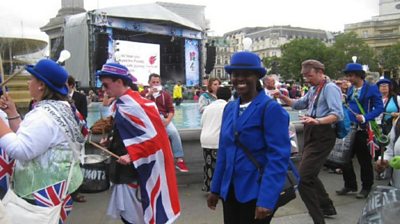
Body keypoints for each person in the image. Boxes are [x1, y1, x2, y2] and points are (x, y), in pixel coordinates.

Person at [207, 51, 291, 224]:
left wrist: (267, 199)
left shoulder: (270, 109)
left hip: (256, 191)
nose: (240, 79)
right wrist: (215, 188)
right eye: (235, 74)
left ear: (257, 77)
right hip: (230, 191)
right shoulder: (230, 108)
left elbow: (278, 157)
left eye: (246, 74)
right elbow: (223, 150)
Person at [97, 63, 180, 224]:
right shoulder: (122, 103)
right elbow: (130, 135)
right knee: (130, 218)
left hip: (134, 174)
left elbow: (157, 140)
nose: (104, 90)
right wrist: (110, 142)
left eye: (106, 85)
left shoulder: (138, 105)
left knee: (136, 219)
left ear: (119, 82)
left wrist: (132, 155)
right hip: (124, 173)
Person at [0, 59, 84, 210]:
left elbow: (21, 150)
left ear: (41, 85)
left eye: (31, 78)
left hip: (40, 194)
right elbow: (32, 140)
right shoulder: (59, 108)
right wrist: (12, 113)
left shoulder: (43, 116)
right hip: (56, 189)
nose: (28, 82)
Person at [275, 59, 343, 224]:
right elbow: (298, 104)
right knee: (308, 173)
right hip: (312, 132)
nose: (306, 79)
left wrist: (317, 121)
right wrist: (282, 96)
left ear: (320, 72)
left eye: (309, 75)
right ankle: (327, 206)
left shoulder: (330, 88)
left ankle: (318, 219)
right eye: (304, 76)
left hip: (322, 134)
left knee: (304, 179)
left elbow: (337, 114)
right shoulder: (314, 88)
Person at [336, 63, 384, 199]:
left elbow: (379, 108)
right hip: (349, 128)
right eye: (348, 76)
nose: (348, 79)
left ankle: (366, 187)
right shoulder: (350, 89)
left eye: (350, 76)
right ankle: (350, 185)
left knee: (364, 160)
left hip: (363, 130)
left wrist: (365, 117)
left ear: (358, 75)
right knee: (345, 158)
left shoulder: (371, 89)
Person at [141, 73, 189, 172]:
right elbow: (139, 106)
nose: (155, 84)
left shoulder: (165, 95)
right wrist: (149, 95)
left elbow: (171, 110)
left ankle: (179, 159)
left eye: (157, 82)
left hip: (162, 118)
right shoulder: (143, 94)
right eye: (153, 82)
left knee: (174, 132)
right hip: (147, 118)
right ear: (149, 83)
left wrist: (167, 120)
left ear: (160, 83)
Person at [200, 86, 231, 192]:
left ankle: (208, 187)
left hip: (205, 139)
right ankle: (219, 189)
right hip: (218, 140)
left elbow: (202, 122)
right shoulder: (228, 107)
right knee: (220, 166)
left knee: (209, 165)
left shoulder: (209, 107)